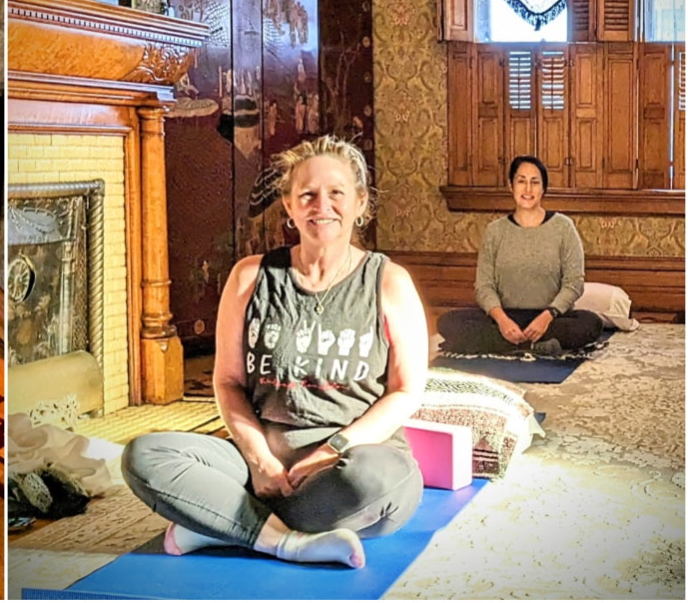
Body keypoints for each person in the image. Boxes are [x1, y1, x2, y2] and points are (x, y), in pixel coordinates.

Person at [122, 136, 428, 569]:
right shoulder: (250, 277)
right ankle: (286, 541)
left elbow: (406, 391)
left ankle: (225, 523)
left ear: (360, 202)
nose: (322, 205)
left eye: (336, 193)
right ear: (288, 205)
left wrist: (334, 448)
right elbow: (227, 382)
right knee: (145, 455)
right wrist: (259, 457)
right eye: (307, 194)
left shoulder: (388, 281)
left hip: (351, 460)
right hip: (262, 467)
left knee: (378, 483)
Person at [435, 156, 606, 356]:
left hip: (551, 318)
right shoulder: (495, 231)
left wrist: (547, 316)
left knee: (591, 323)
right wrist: (502, 321)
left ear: (544, 188)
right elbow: (484, 286)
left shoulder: (563, 227)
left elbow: (574, 283)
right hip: (505, 317)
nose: (527, 189)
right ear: (511, 186)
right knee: (448, 322)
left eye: (535, 182)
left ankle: (509, 344)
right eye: (521, 181)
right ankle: (532, 345)